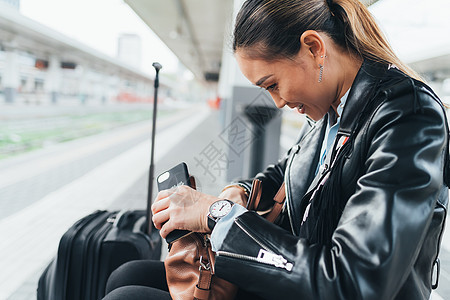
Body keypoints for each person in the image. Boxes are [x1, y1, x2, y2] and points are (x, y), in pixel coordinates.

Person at [103, 0, 449, 299]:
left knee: (128, 294)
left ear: (314, 48)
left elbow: (355, 281)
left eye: (272, 84)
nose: (279, 102)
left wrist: (217, 214)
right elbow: (289, 171)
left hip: (328, 286)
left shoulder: (408, 115)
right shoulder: (331, 110)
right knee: (127, 276)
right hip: (301, 277)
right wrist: (237, 193)